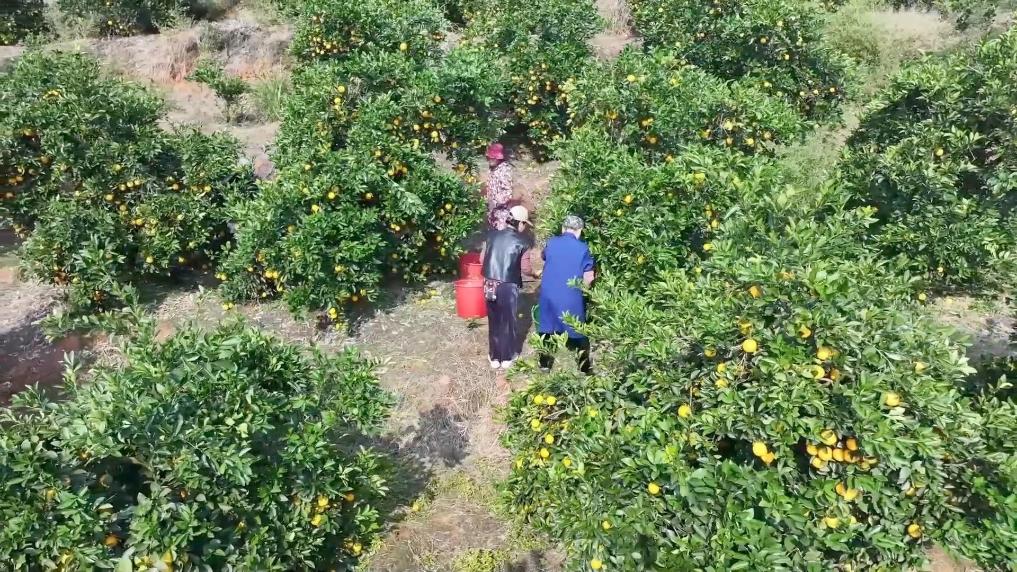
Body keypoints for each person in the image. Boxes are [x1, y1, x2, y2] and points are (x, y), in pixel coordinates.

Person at [537, 215, 595, 374]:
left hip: (549, 294)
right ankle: (584, 367)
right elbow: (588, 277)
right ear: (580, 231)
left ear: (563, 229)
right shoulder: (583, 248)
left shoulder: (551, 243)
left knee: (547, 327)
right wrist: (585, 291)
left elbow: (544, 256)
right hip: (571, 295)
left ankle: (544, 364)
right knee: (578, 329)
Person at [481, 205, 534, 369]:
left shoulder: (491, 236)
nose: (525, 227)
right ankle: (507, 357)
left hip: (489, 283)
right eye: (524, 224)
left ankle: (494, 357)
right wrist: (535, 275)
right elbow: (526, 269)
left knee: (494, 319)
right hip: (508, 284)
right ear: (520, 223)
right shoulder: (522, 242)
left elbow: (482, 259)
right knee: (508, 321)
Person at [484, 142, 513, 228]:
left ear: (498, 159)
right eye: (489, 158)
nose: (490, 160)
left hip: (501, 211)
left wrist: (496, 201)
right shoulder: (493, 168)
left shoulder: (504, 170)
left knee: (500, 227)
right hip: (493, 208)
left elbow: (508, 191)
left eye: (492, 158)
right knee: (492, 226)